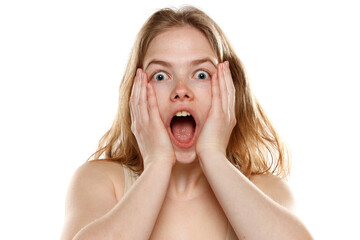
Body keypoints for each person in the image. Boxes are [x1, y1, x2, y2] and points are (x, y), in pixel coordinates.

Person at [60, 6, 313, 240]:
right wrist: (157, 163)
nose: (181, 90)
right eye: (160, 76)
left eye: (201, 74)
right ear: (135, 94)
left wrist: (213, 154)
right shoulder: (102, 182)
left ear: (230, 91)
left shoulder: (264, 190)